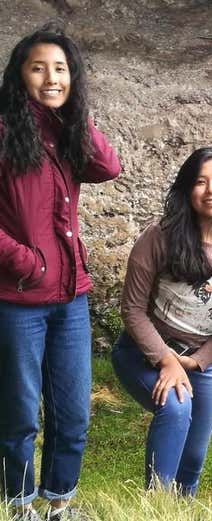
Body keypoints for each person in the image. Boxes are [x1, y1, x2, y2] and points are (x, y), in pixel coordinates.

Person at [0, 23, 121, 521]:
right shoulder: (5, 132)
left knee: (73, 411)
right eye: (38, 68)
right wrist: (24, 261)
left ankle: (59, 502)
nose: (51, 78)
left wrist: (76, 115)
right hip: (18, 298)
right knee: (21, 413)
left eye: (61, 69)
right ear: (18, 76)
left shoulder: (66, 130)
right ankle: (20, 502)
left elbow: (107, 167)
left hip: (71, 296)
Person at [111, 147, 212, 496]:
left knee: (193, 457)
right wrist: (166, 360)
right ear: (186, 189)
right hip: (144, 353)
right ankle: (156, 507)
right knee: (177, 409)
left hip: (202, 361)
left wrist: (198, 360)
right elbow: (132, 309)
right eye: (201, 182)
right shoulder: (158, 237)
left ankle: (181, 508)